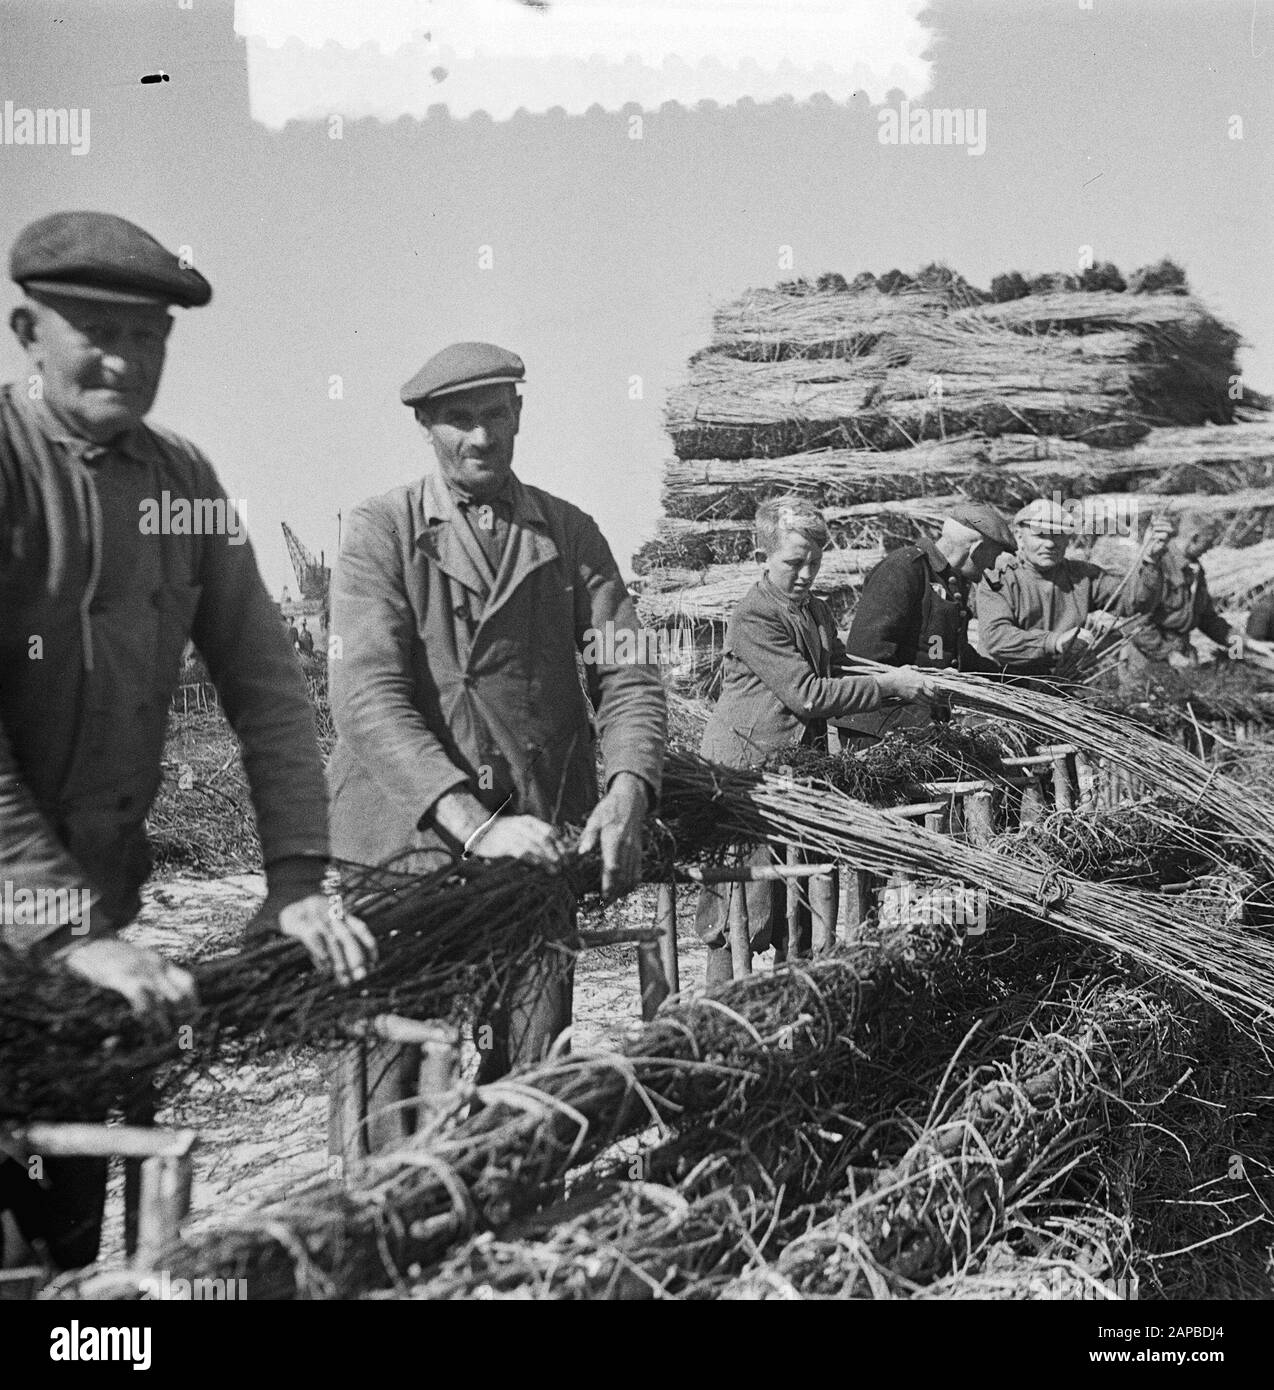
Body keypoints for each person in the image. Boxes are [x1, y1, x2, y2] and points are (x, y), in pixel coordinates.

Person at [0, 211, 374, 1270]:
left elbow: (263, 683)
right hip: (44, 931)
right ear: (30, 330)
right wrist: (65, 930)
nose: (124, 357)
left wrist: (298, 873)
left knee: (73, 1251)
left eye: (150, 335)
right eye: (94, 328)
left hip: (94, 942)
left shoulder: (182, 483)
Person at [325, 340, 666, 1157]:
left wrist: (626, 791)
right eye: (458, 421)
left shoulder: (570, 533)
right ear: (426, 429)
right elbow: (367, 699)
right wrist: (472, 823)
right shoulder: (381, 531)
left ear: (519, 414)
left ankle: (504, 1247)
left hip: (538, 840)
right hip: (405, 847)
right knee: (396, 1079)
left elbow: (628, 678)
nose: (480, 437)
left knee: (531, 1070)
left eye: (495, 415)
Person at [695, 496, 934, 987]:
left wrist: (909, 674)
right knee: (740, 899)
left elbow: (841, 667)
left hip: (791, 767)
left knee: (794, 891)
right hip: (743, 767)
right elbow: (807, 694)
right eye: (793, 562)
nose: (805, 574)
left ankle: (792, 993)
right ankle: (717, 997)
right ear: (763, 558)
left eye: (814, 563)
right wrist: (890, 687)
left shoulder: (817, 611)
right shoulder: (755, 616)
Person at [837, 502, 1016, 746]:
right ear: (976, 548)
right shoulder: (905, 568)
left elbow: (956, 655)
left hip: (918, 726)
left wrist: (1014, 682)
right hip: (880, 728)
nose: (993, 565)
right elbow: (866, 656)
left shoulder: (952, 581)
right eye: (993, 555)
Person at [975, 498, 1172, 683]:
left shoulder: (1083, 576)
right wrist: (1056, 642)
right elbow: (997, 638)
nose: (1050, 543)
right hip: (1004, 683)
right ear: (1019, 536)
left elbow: (1136, 603)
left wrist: (1151, 561)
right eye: (1040, 535)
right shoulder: (1000, 580)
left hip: (1059, 683)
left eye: (1058, 535)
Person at [1125, 513, 1232, 672]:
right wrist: (1168, 654)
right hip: (1148, 662)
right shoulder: (1156, 565)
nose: (1209, 549)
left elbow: (1208, 619)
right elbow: (1135, 621)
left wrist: (1242, 642)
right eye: (1208, 543)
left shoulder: (1195, 570)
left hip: (1181, 658)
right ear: (1194, 538)